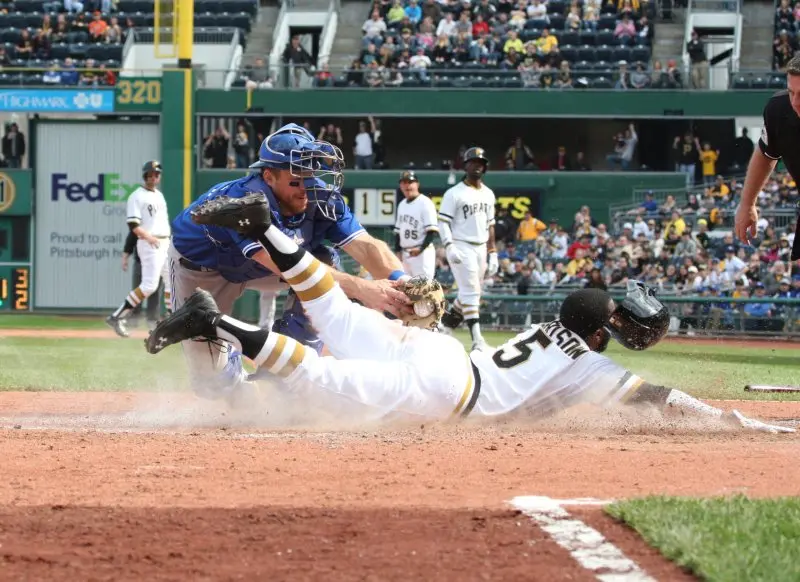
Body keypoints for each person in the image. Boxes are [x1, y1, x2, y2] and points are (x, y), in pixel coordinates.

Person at [145, 192, 794, 434]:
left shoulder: (548, 331)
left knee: (335, 316)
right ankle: (215, 321)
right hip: (450, 390)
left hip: (443, 357)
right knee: (319, 374)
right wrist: (732, 420)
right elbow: (659, 398)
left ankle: (270, 232)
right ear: (597, 336)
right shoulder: (588, 364)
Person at [167, 123, 412, 400]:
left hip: (262, 266)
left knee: (324, 260)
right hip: (203, 270)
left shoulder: (321, 196)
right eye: (296, 178)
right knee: (212, 385)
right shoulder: (243, 202)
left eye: (310, 173)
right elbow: (286, 265)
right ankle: (231, 360)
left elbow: (365, 246)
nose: (307, 185)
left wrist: (404, 283)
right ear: (269, 176)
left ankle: (283, 373)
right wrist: (363, 288)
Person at [734, 55, 800, 262]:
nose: (795, 102)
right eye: (791, 92)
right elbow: (766, 153)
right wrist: (747, 203)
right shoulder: (779, 110)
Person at [438, 146, 499, 351]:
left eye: (481, 163)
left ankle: (445, 327)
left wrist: (493, 252)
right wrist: (449, 245)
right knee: (471, 292)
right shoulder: (454, 193)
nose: (477, 166)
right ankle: (477, 340)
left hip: (481, 247)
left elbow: (491, 225)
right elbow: (443, 222)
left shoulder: (489, 194)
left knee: (469, 293)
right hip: (461, 245)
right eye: (473, 162)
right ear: (465, 166)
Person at [106, 161, 171, 337]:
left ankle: (172, 319)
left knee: (171, 281)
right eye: (150, 174)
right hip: (149, 243)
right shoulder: (137, 196)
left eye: (156, 174)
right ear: (145, 176)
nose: (153, 177)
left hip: (164, 242)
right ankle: (117, 316)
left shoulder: (159, 195)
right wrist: (148, 238)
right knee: (149, 286)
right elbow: (133, 225)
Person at [393, 170, 439, 279]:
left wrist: (421, 249)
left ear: (417, 184)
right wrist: (398, 251)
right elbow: (398, 232)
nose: (407, 186)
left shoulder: (425, 203)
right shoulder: (402, 204)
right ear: (400, 186)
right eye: (404, 183)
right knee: (406, 286)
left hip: (422, 254)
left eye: (410, 182)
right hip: (405, 254)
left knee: (424, 287)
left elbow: (432, 231)